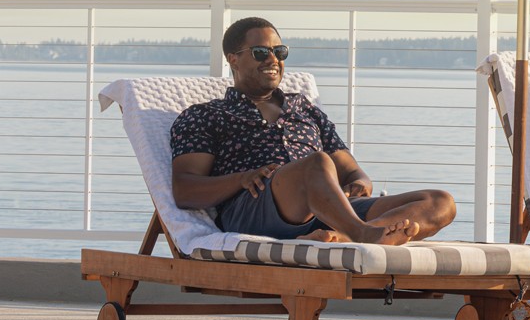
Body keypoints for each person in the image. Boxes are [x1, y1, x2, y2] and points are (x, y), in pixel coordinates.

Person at [169, 17, 455, 245]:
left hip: (330, 211)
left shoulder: (303, 108)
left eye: (279, 52)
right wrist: (242, 179)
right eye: (260, 52)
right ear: (233, 59)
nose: (273, 60)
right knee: (317, 164)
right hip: (257, 208)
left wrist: (359, 181)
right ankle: (364, 235)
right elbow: (185, 189)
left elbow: (352, 171)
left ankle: (343, 236)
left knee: (440, 202)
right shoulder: (206, 115)